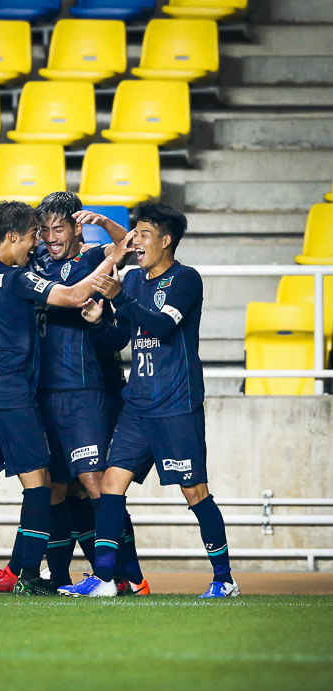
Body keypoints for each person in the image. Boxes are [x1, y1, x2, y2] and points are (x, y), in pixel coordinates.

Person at [0, 194, 148, 596]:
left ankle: (124, 574)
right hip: (27, 391)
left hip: (67, 389)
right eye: (41, 231)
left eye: (57, 229)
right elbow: (0, 245)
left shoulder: (83, 257)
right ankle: (44, 575)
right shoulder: (24, 269)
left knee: (83, 483)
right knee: (49, 486)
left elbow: (125, 247)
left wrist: (107, 226)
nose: (46, 238)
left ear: (76, 228)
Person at [58, 201, 240, 599]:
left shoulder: (186, 279)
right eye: (135, 233)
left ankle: (224, 579)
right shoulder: (134, 281)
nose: (136, 241)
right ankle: (105, 579)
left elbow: (160, 325)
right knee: (110, 484)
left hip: (176, 404)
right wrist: (99, 322)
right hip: (137, 405)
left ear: (165, 240)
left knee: (194, 492)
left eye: (143, 234)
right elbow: (120, 339)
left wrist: (120, 297)